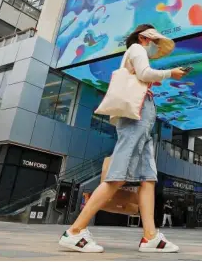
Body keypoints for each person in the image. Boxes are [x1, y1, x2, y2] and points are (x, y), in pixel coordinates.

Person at [58, 24, 187, 253]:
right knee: (117, 176)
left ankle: (150, 237)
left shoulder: (136, 52)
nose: (156, 46)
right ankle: (75, 231)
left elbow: (144, 77)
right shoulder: (137, 49)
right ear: (144, 38)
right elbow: (145, 73)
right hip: (137, 117)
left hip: (143, 118)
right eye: (154, 41)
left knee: (148, 178)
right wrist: (170, 73)